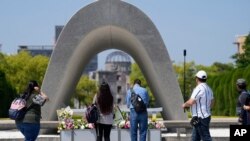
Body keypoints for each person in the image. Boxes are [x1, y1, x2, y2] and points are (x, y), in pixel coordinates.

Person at [182, 70, 214, 141]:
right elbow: (212, 103)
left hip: (200, 117)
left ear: (197, 79)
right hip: (205, 116)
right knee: (195, 138)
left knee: (206, 137)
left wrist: (184, 104)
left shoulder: (198, 88)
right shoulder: (209, 89)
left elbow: (191, 101)